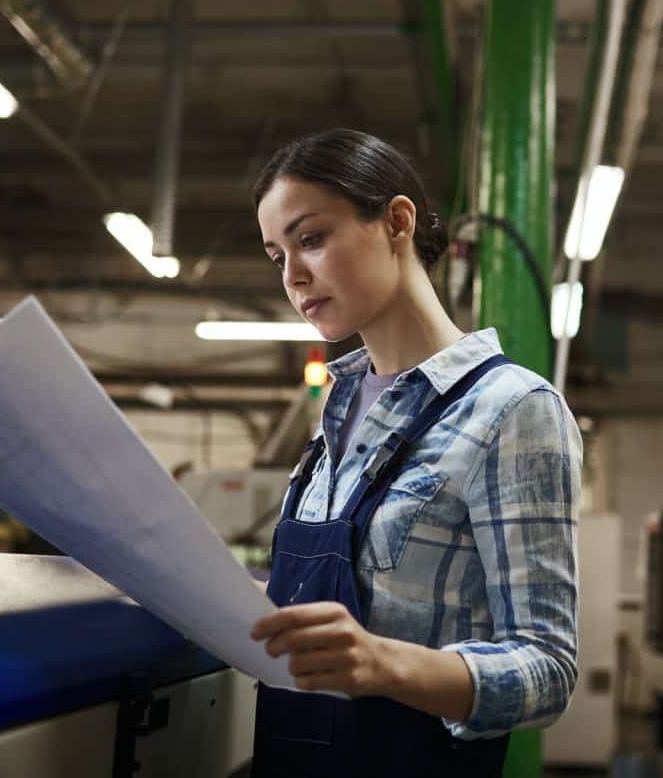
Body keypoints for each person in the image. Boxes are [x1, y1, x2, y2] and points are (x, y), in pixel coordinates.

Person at [245, 129, 581, 777]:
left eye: (311, 238)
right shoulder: (334, 417)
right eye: (275, 254)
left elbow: (547, 667)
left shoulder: (511, 410)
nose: (292, 276)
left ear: (396, 221)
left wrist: (385, 664)